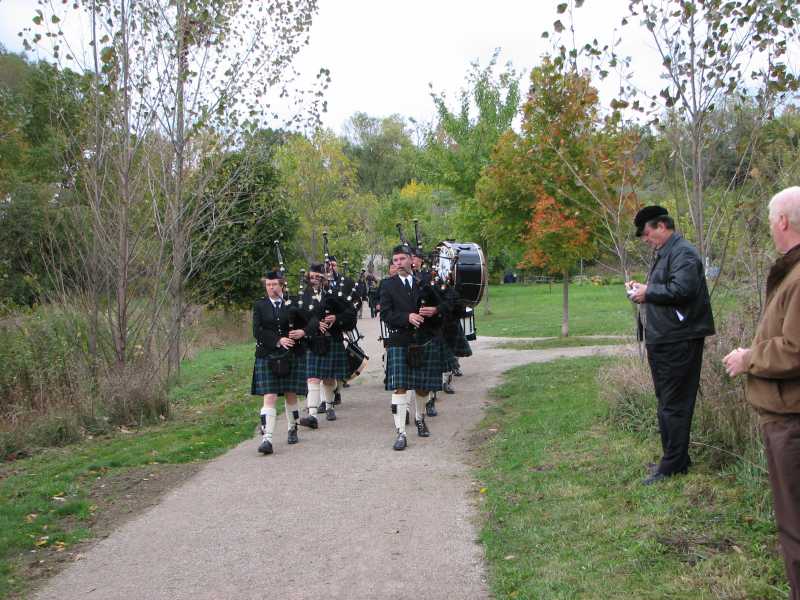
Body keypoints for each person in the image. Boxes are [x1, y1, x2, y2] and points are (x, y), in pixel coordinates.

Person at [723, 186, 800, 599]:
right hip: (786, 419)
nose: (770, 227)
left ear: (783, 221)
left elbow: (795, 349)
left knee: (796, 528)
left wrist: (749, 358)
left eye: (771, 220)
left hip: (792, 423)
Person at [627, 206, 715, 485]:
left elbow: (683, 290)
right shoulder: (668, 252)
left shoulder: (683, 252)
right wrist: (643, 289)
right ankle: (676, 458)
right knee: (667, 401)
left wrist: (648, 292)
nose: (645, 239)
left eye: (647, 233)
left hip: (679, 339)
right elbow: (668, 289)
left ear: (662, 226)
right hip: (666, 337)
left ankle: (672, 465)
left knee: (674, 404)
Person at [380, 244, 449, 450]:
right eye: (395, 260)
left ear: (411, 260)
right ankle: (401, 432)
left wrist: (435, 309)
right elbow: (386, 314)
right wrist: (406, 317)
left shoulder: (424, 282)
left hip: (423, 340)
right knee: (400, 386)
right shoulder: (388, 285)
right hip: (399, 340)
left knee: (422, 387)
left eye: (402, 259)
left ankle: (419, 418)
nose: (399, 263)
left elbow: (449, 302)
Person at [251, 271, 313, 455]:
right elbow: (257, 331)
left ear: (282, 286)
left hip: (291, 354)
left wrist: (303, 332)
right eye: (268, 285)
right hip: (268, 354)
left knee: (290, 394)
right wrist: (278, 340)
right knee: (269, 395)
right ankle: (267, 439)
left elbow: (312, 320)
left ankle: (292, 428)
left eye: (274, 285)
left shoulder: (293, 304)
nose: (271, 288)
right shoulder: (260, 305)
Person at [298, 263, 357, 428]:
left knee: (329, 378)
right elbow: (298, 318)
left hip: (332, 340)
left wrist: (336, 318)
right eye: (311, 277)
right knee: (313, 377)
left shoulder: (334, 294)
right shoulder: (303, 296)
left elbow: (350, 313)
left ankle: (330, 406)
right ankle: (312, 415)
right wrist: (315, 324)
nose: (314, 280)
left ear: (324, 278)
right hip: (313, 341)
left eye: (318, 277)